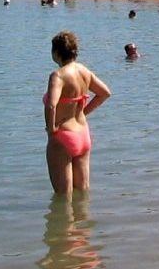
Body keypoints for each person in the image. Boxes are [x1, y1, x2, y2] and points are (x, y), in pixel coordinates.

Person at [44, 31, 111, 195]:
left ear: (56, 52)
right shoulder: (84, 71)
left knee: (63, 198)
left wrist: (51, 129)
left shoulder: (58, 75)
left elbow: (51, 106)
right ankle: (83, 220)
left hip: (63, 137)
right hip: (83, 134)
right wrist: (83, 112)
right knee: (82, 194)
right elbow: (105, 93)